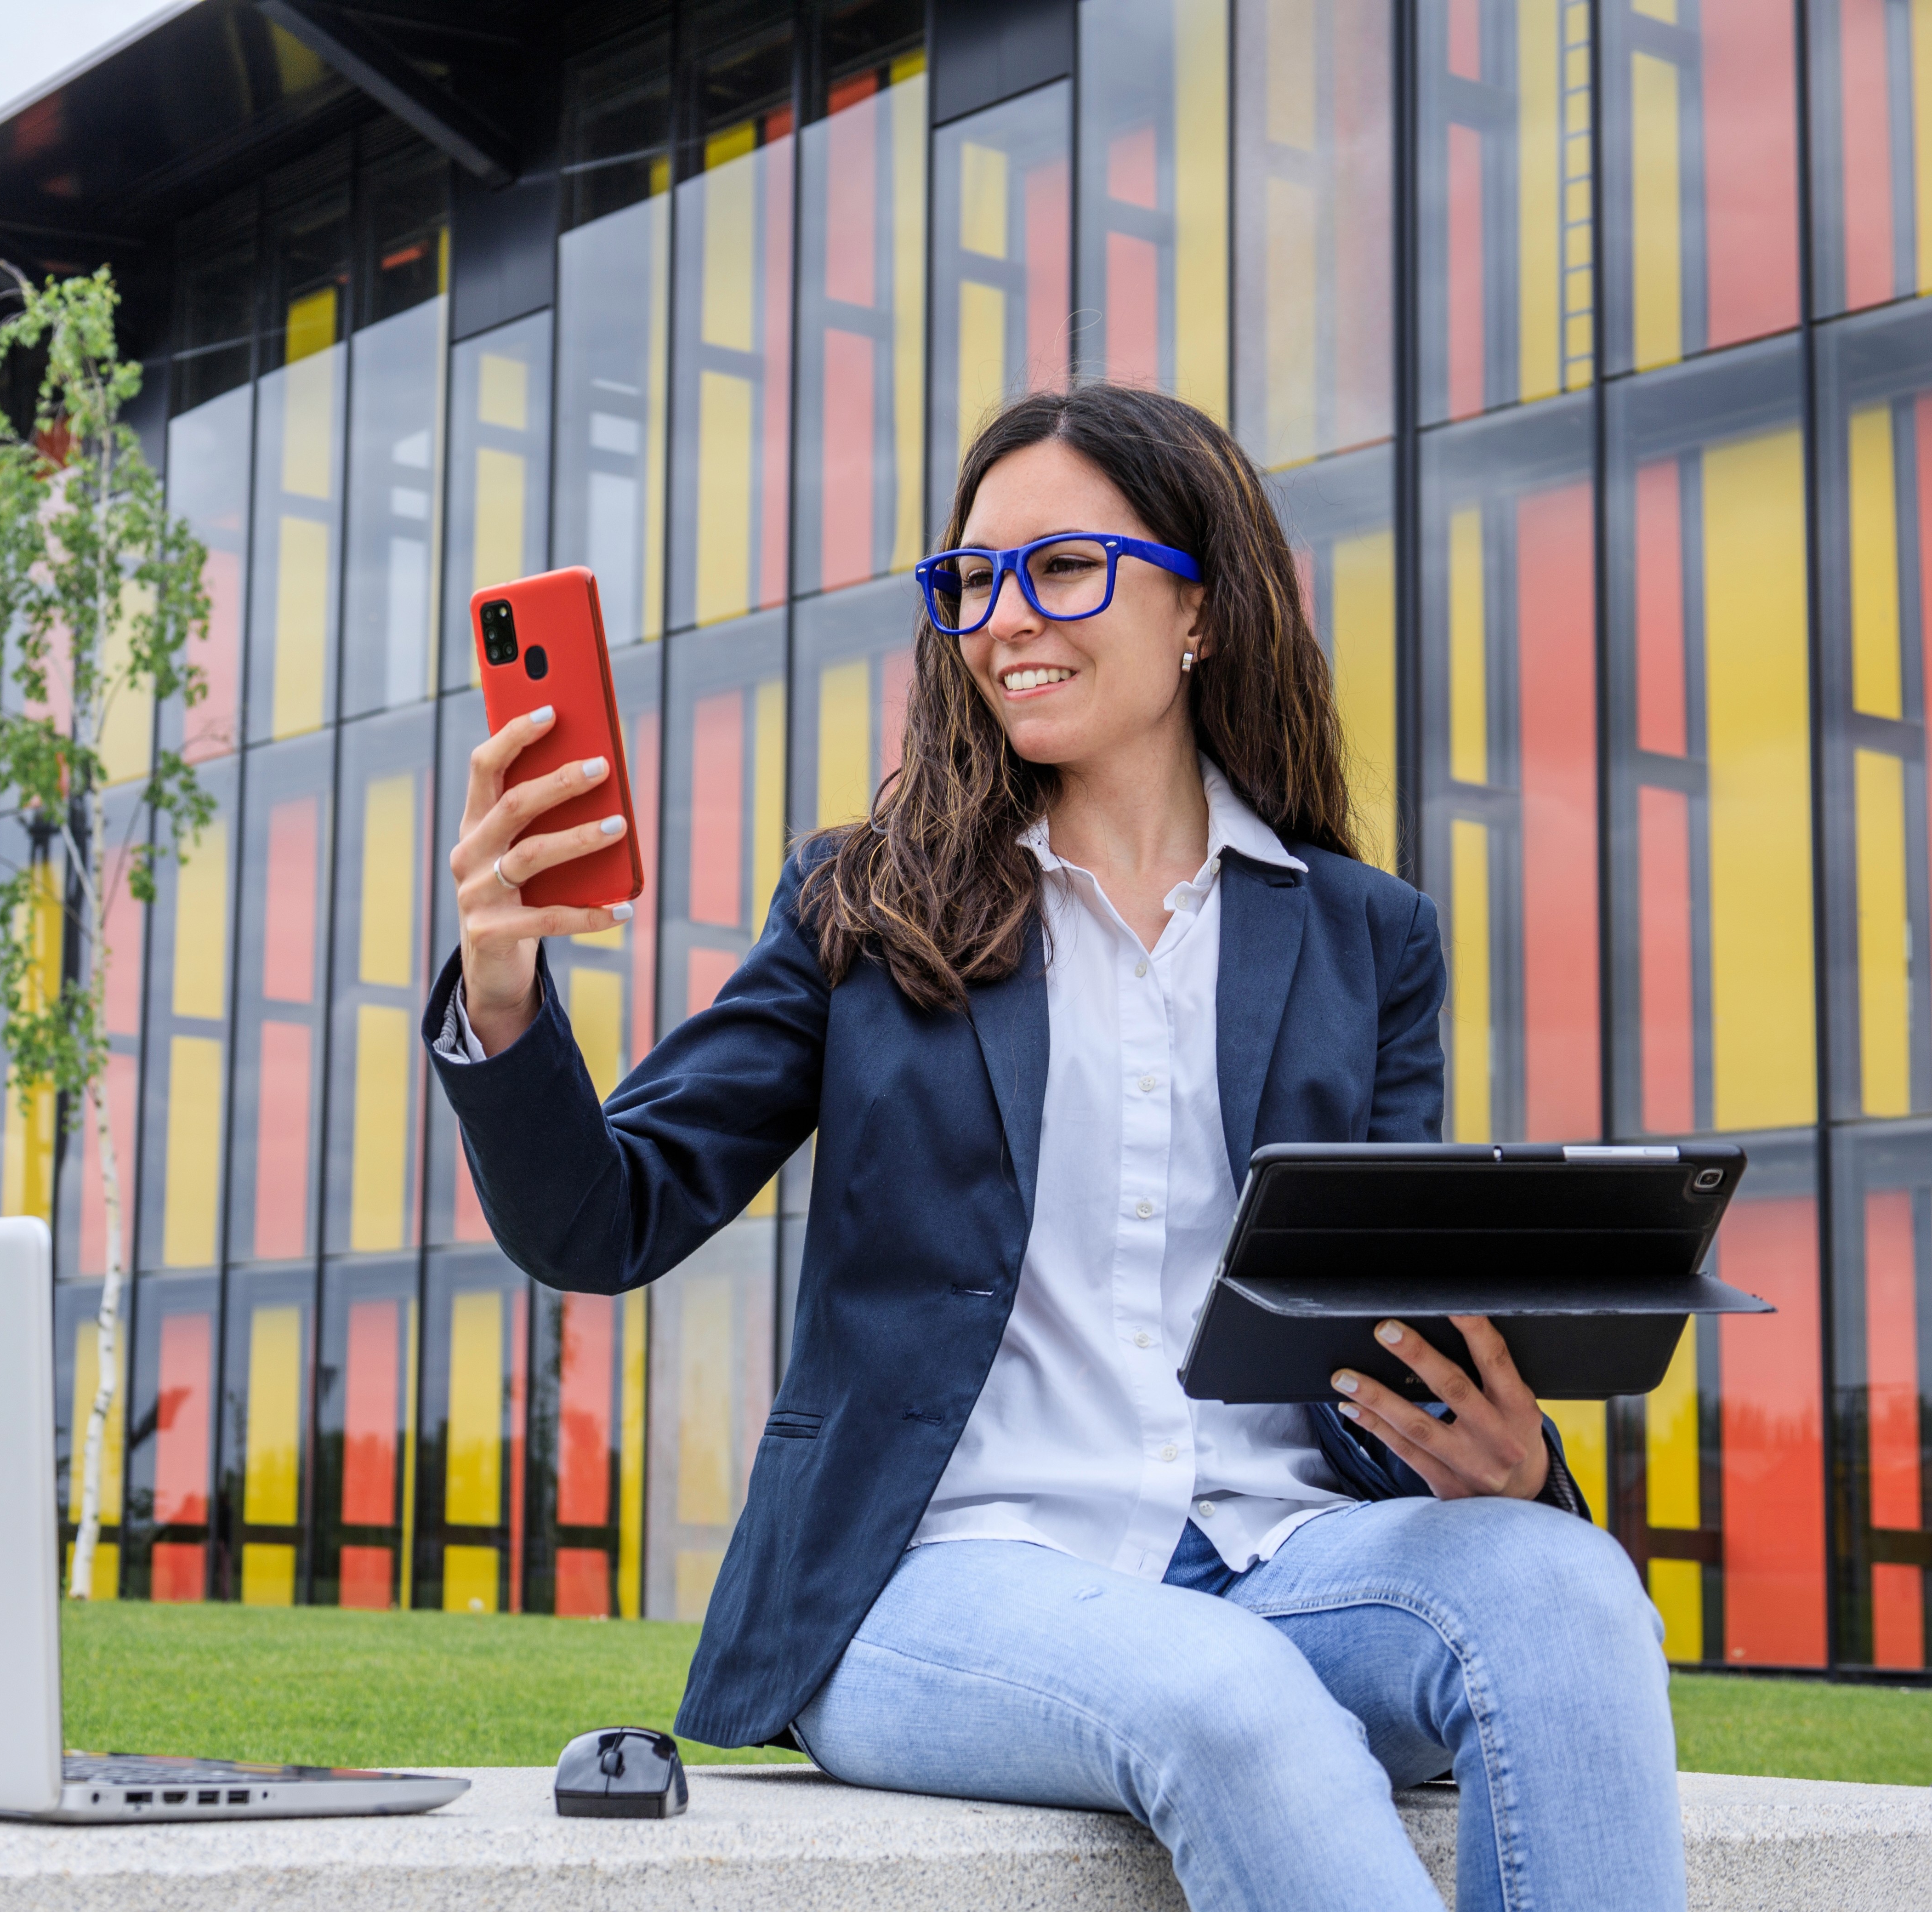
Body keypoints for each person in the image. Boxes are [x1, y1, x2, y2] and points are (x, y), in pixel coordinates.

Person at [426, 383, 1680, 1912]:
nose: (1007, 617)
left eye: (1064, 567)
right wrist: (502, 992)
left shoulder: (1368, 936)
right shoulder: (864, 909)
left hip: (1282, 1559)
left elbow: (1378, 1294)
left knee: (1571, 1590)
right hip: (937, 1584)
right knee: (1227, 1697)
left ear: (1200, 608)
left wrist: (1512, 1466)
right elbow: (600, 1223)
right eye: (973, 582)